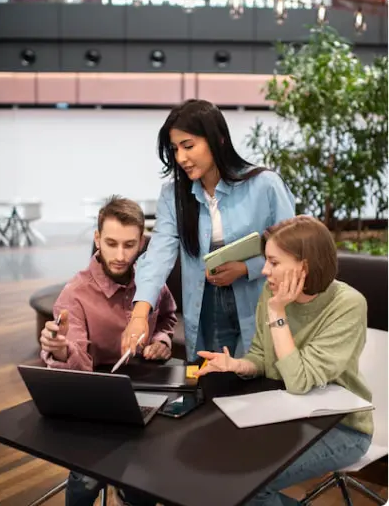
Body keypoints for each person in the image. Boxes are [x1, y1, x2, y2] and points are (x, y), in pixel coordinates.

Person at [196, 215, 373, 506]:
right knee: (224, 474)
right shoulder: (271, 292)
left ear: (304, 266)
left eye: (274, 263)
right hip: (287, 416)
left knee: (249, 485)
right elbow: (263, 358)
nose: (264, 271)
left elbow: (299, 381)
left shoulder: (348, 304)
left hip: (343, 428)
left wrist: (278, 313)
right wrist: (237, 364)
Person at [122, 99, 295, 362]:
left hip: (262, 300)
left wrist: (245, 268)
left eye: (188, 146)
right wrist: (139, 315)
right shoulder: (174, 195)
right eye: (175, 149)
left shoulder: (266, 185)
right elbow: (158, 254)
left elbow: (292, 250)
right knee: (214, 383)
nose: (181, 158)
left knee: (259, 379)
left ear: (218, 139)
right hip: (207, 305)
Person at [40, 195, 177, 506]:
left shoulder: (150, 281)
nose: (119, 255)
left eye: (129, 245)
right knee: (87, 481)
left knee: (148, 482)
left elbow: (168, 316)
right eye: (111, 243)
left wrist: (161, 341)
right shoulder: (75, 294)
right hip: (95, 404)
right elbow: (76, 369)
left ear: (142, 242)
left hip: (146, 393)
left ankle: (129, 492)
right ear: (97, 238)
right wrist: (60, 350)